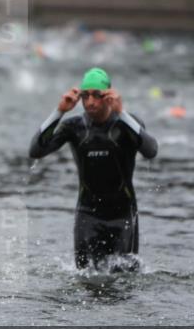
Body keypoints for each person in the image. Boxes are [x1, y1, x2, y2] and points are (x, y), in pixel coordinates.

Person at [29, 68, 158, 271]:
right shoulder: (74, 127)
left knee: (124, 280)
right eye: (85, 95)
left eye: (97, 95)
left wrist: (121, 113)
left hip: (123, 217)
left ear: (109, 95)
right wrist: (59, 111)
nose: (90, 102)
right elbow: (36, 150)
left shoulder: (126, 124)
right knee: (84, 280)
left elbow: (151, 151)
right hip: (87, 215)